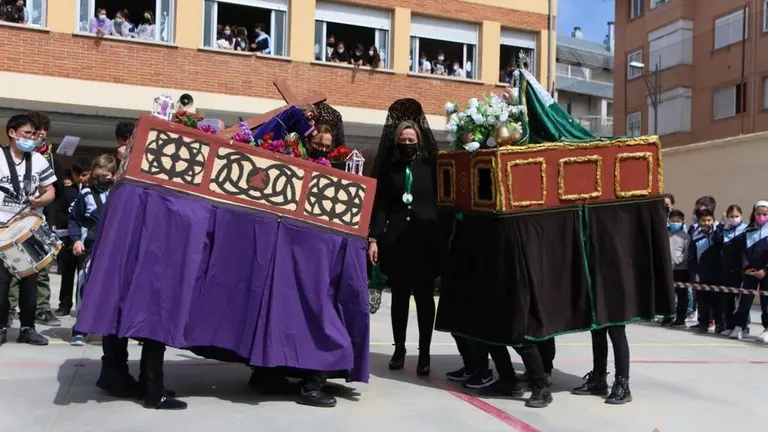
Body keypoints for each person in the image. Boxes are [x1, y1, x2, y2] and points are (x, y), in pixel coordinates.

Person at [69, 154, 186, 409]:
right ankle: (153, 389)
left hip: (116, 258)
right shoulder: (142, 188)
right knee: (154, 317)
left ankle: (116, 376)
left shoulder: (124, 187)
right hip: (147, 257)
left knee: (116, 311)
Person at [368, 118, 441, 377]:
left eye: (412, 140)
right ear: (397, 141)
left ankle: (425, 352)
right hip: (397, 242)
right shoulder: (390, 170)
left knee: (424, 299)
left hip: (424, 241)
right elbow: (381, 207)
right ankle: (399, 348)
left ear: (419, 141)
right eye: (403, 140)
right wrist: (374, 239)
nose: (408, 144)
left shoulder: (430, 167)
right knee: (399, 298)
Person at [0, 113, 57, 346]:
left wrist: (42, 200)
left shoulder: (39, 160)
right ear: (12, 133)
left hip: (29, 228)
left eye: (34, 134)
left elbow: (50, 190)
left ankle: (27, 328)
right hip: (2, 229)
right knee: (2, 283)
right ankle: (2, 326)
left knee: (29, 282)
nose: (32, 138)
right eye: (27, 133)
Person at [53, 159, 90, 317]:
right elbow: (60, 214)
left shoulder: (94, 193)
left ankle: (84, 305)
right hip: (69, 240)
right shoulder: (68, 192)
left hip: (87, 240)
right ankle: (64, 304)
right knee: (67, 273)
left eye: (85, 175)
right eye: (78, 175)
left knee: (85, 274)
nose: (81, 178)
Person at [734, 201, 768, 343]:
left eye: (765, 214)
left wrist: (765, 270)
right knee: (745, 301)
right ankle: (740, 326)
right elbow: (742, 252)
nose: (761, 217)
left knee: (766, 302)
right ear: (754, 214)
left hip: (766, 273)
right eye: (758, 214)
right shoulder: (747, 231)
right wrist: (746, 267)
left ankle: (766, 329)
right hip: (750, 272)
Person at [688, 208, 723, 333]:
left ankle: (719, 323)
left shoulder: (718, 234)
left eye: (709, 220)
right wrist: (696, 272)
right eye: (703, 221)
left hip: (717, 275)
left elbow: (720, 243)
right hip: (702, 275)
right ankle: (703, 324)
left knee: (718, 302)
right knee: (702, 302)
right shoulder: (696, 238)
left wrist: (720, 228)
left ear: (713, 221)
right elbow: (691, 257)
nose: (706, 223)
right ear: (699, 222)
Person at [717, 205, 747, 337]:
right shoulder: (725, 230)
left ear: (741, 216)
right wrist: (722, 225)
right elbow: (716, 241)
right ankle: (729, 325)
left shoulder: (746, 230)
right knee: (727, 299)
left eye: (736, 216)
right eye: (731, 216)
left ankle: (742, 327)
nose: (734, 219)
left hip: (741, 269)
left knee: (741, 300)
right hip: (726, 269)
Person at [666, 209, 691, 327]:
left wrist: (675, 261)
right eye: (672, 221)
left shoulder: (686, 237)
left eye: (678, 221)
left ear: (682, 222)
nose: (675, 223)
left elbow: (686, 253)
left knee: (682, 295)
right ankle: (668, 316)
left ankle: (681, 318)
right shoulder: (664, 234)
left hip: (681, 269)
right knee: (667, 293)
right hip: (666, 269)